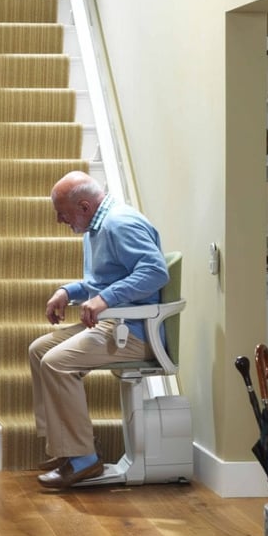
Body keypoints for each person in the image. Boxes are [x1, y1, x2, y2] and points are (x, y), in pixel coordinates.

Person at [29, 171, 169, 489]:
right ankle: (65, 447)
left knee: (56, 362)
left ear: (83, 206)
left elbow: (155, 271)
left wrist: (105, 299)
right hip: (114, 324)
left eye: (61, 213)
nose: (58, 220)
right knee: (39, 350)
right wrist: (68, 292)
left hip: (135, 331)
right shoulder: (96, 228)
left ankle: (83, 459)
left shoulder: (120, 223)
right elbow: (99, 283)